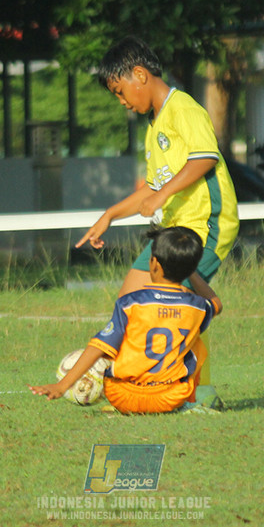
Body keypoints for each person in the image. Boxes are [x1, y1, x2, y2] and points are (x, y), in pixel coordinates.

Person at [75, 35, 239, 405]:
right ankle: (143, 383)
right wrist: (110, 215)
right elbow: (153, 187)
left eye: (121, 92)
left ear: (140, 74)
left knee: (183, 304)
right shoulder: (155, 125)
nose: (122, 102)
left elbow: (204, 159)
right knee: (132, 302)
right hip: (175, 226)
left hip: (206, 225)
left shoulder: (183, 108)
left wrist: (162, 196)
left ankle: (200, 394)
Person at [30, 226, 220, 414]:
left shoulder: (130, 303)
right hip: (170, 398)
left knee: (117, 342)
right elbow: (216, 303)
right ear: (190, 267)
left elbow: (100, 346)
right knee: (196, 342)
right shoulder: (197, 306)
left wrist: (62, 386)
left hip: (122, 396)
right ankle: (190, 400)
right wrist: (190, 271)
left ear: (154, 263)